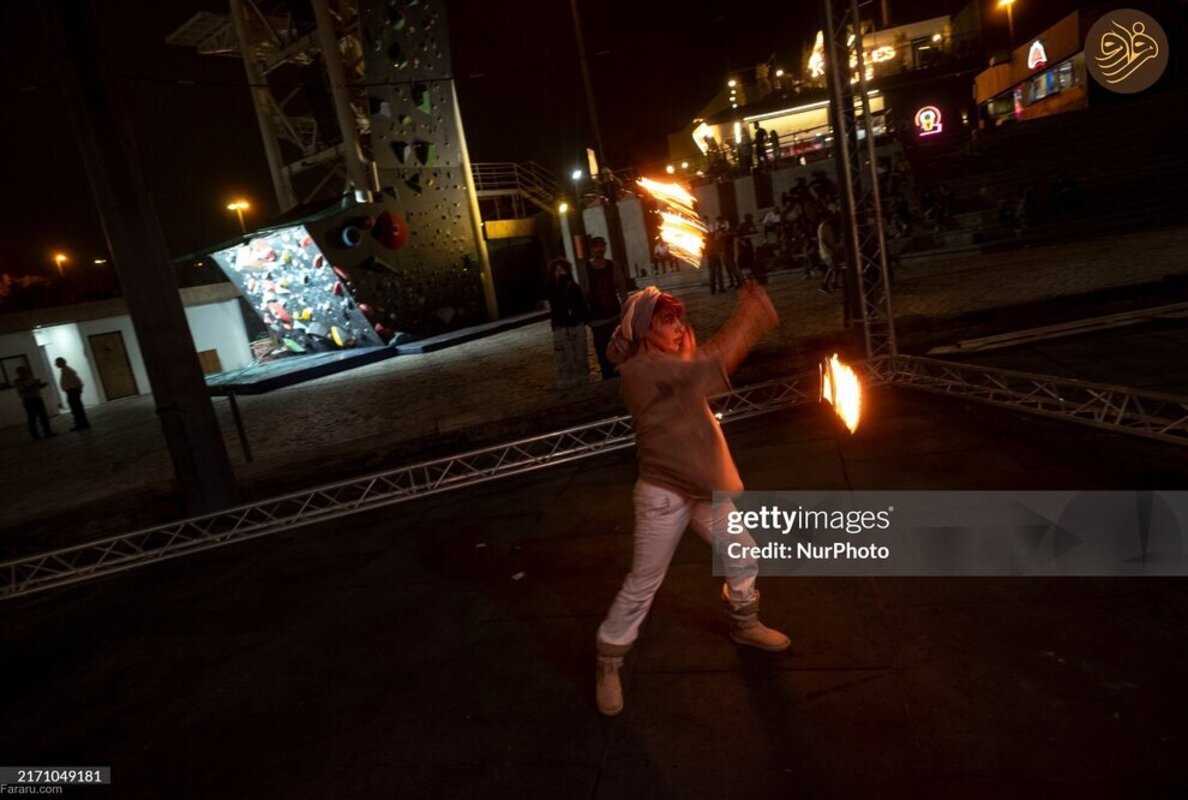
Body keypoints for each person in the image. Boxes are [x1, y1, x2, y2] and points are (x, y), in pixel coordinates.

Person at [593, 283, 791, 716]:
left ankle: (746, 624)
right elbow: (709, 369)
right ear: (645, 331)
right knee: (643, 585)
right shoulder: (639, 370)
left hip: (700, 486)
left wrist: (686, 356)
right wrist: (751, 316)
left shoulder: (668, 364)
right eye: (668, 321)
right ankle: (608, 661)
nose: (679, 327)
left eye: (679, 319)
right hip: (663, 495)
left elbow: (697, 380)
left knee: (742, 554)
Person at [581, 236, 624, 380]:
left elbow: (622, 288)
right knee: (601, 351)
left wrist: (626, 309)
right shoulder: (586, 269)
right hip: (597, 318)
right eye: (596, 246)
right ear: (591, 249)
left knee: (618, 349)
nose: (599, 249)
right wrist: (585, 315)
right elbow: (584, 292)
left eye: (602, 246)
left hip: (613, 315)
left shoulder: (613, 266)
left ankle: (620, 374)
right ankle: (607, 377)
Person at [547, 258, 589, 390]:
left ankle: (583, 381)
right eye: (556, 271)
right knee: (562, 357)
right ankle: (566, 382)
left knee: (580, 356)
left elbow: (580, 305)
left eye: (562, 270)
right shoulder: (551, 288)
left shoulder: (573, 287)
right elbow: (554, 303)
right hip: (560, 327)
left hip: (575, 325)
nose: (559, 273)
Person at [14, 365, 54, 440]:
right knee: (32, 419)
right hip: (29, 400)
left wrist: (41, 385)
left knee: (43, 416)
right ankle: (35, 436)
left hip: (37, 398)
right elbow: (23, 390)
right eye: (23, 371)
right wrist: (34, 384)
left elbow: (36, 386)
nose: (25, 373)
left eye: (26, 371)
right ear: (19, 373)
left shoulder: (31, 378)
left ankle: (48, 432)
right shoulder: (18, 381)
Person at [818, 204, 842, 293]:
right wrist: (830, 248)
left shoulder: (828, 226)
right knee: (832, 268)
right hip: (827, 251)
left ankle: (834, 283)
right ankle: (824, 284)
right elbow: (823, 240)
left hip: (831, 250)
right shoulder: (822, 227)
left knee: (836, 267)